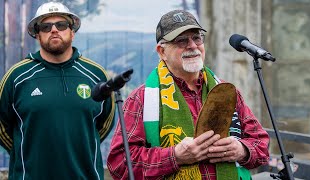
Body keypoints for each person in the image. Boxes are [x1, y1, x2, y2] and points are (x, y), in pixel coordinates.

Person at [107, 9, 269, 180]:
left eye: (197, 38)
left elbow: (261, 145)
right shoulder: (142, 98)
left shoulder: (225, 91)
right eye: (181, 40)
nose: (192, 46)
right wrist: (174, 156)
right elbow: (119, 165)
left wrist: (242, 150)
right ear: (162, 52)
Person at [0, 2, 115, 179]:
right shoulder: (16, 76)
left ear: (72, 31)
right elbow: (3, 128)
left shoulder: (96, 75)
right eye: (46, 26)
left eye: (61, 25)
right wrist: (26, 148)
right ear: (37, 35)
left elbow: (103, 125)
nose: (54, 30)